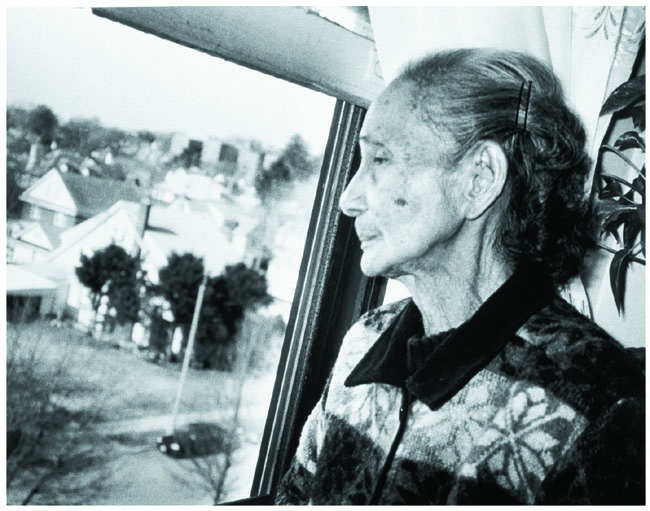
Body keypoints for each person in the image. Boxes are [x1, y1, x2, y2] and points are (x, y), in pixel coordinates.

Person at [275, 48, 644, 505]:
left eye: (380, 160)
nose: (347, 199)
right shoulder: (363, 342)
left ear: (479, 179)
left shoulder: (601, 401)